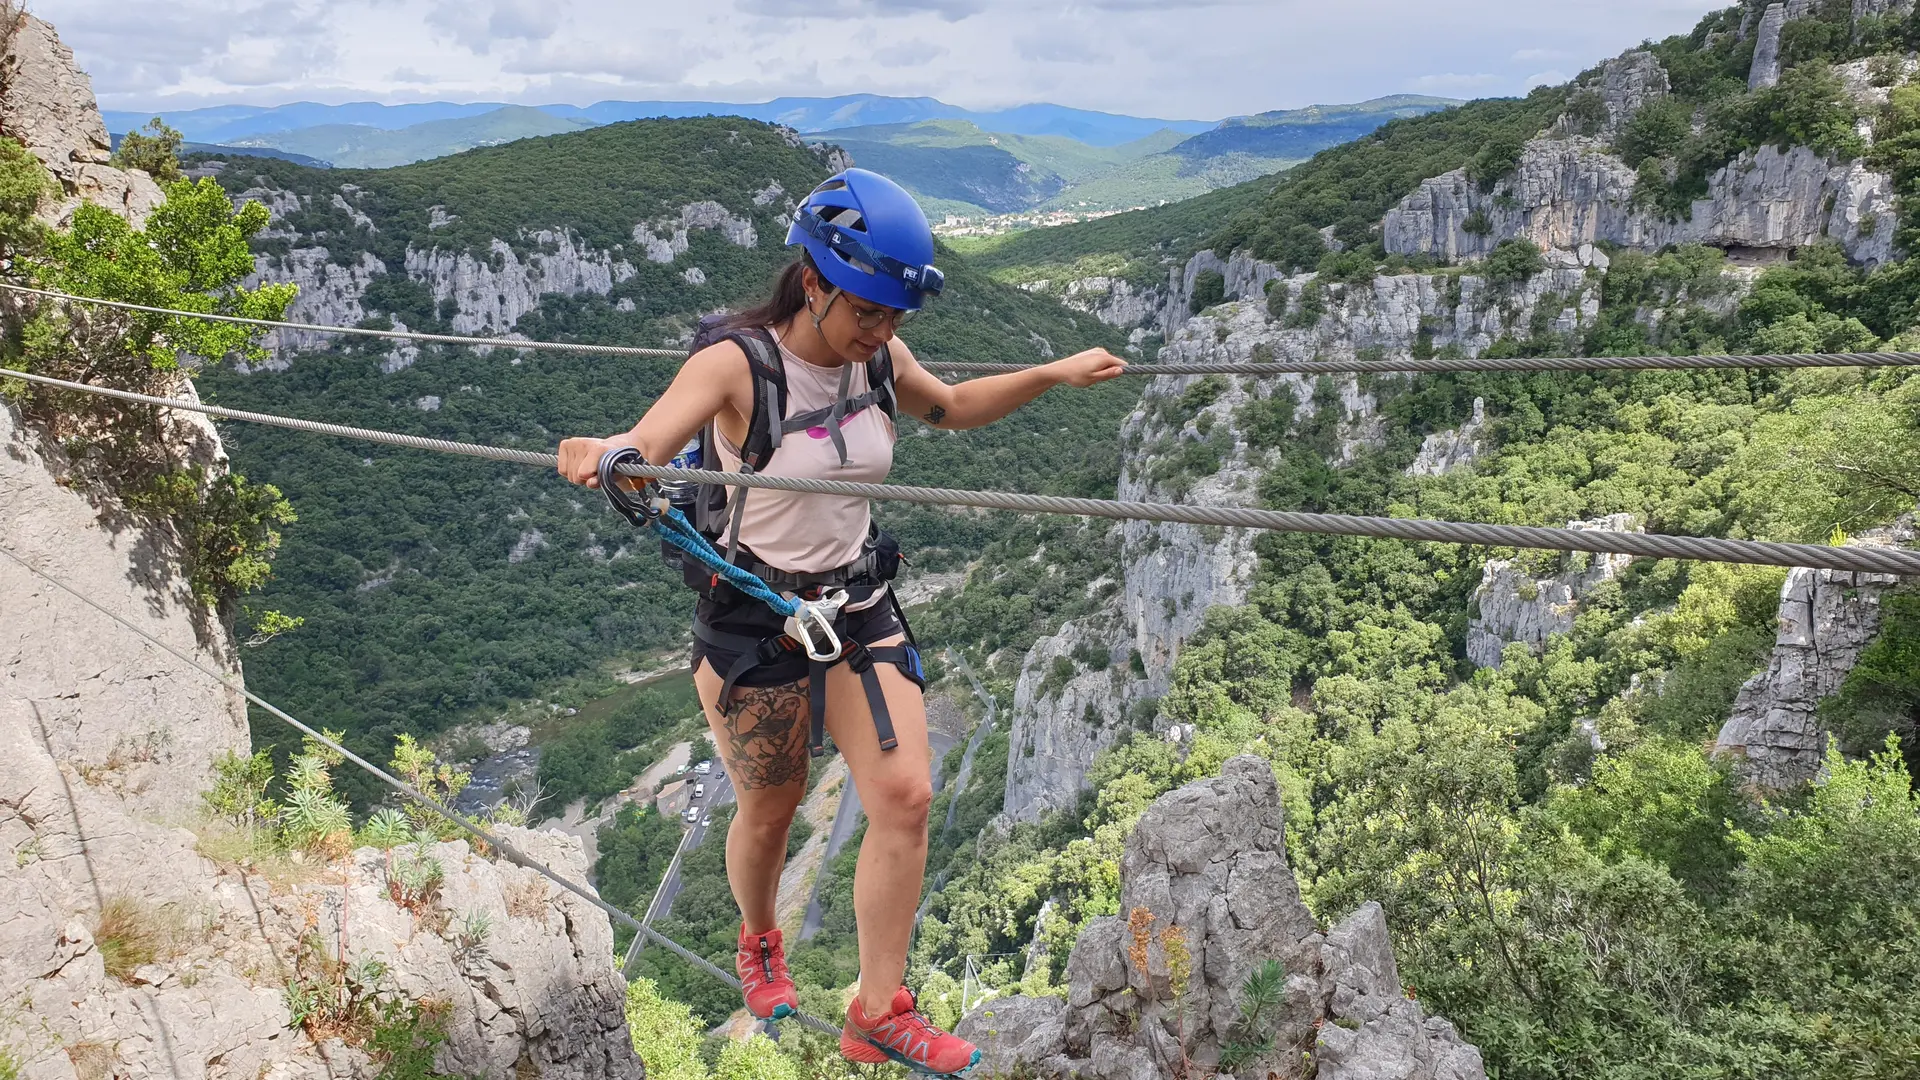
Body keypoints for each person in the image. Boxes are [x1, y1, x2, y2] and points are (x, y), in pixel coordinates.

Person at [557, 168, 1125, 1076]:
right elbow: (648, 446)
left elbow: (954, 407)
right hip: (757, 619)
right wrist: (601, 456)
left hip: (856, 605)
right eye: (868, 309)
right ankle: (760, 943)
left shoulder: (879, 360)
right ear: (814, 282)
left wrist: (1055, 373)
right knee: (771, 811)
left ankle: (876, 1010)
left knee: (907, 799)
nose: (882, 331)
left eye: (895, 316)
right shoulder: (737, 365)